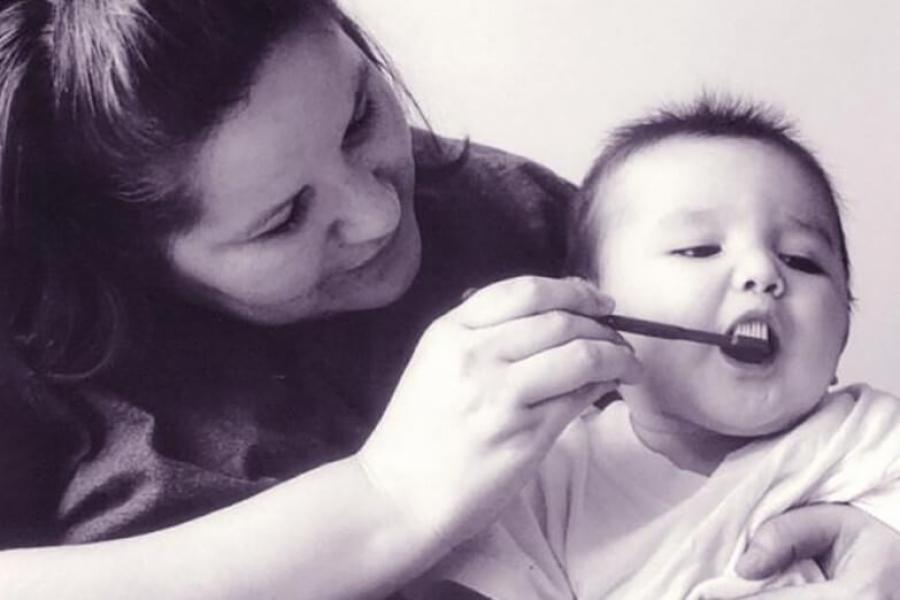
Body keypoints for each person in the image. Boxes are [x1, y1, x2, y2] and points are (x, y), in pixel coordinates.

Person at [0, 2, 895, 597]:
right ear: (126, 262)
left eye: (360, 117)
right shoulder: (35, 356)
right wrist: (385, 497)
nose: (382, 209)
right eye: (283, 222)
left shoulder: (514, 217)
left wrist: (873, 536)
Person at [414, 99, 900, 599]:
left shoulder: (867, 435)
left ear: (842, 334)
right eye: (699, 249)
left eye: (803, 260)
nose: (764, 272)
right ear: (587, 307)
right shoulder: (545, 477)